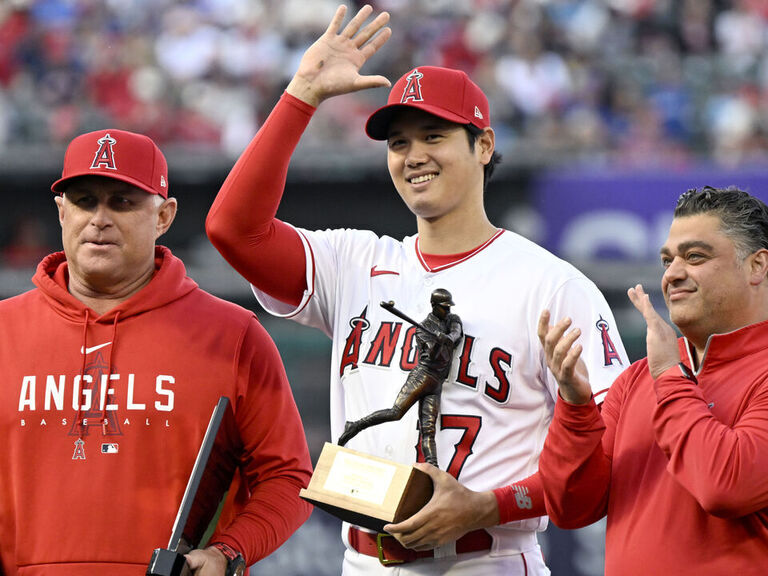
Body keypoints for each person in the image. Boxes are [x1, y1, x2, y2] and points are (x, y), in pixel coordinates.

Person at [206, 5, 627, 574]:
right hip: (362, 559)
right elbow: (234, 230)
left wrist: (488, 506)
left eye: (434, 135)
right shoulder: (355, 261)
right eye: (398, 143)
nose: (413, 156)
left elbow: (606, 463)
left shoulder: (551, 285)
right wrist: (301, 93)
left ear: (483, 145)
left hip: (488, 559)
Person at [0, 128, 313, 576]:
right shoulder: (4, 329)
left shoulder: (232, 333)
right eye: (85, 200)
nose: (99, 219)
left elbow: (287, 476)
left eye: (122, 202)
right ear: (61, 211)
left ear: (164, 215)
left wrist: (228, 550)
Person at [537, 186, 768, 575]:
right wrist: (575, 408)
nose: (673, 274)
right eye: (666, 261)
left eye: (695, 256)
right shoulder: (634, 380)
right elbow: (570, 506)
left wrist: (668, 376)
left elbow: (725, 485)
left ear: (757, 266)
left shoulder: (660, 373)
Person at [338, 288, 464, 467]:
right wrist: (438, 343)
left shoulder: (451, 318)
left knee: (428, 430)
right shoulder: (422, 329)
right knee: (396, 412)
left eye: (449, 307)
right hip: (422, 377)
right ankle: (356, 425)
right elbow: (437, 357)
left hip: (437, 382)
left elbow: (456, 332)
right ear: (434, 306)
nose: (448, 310)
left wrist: (448, 338)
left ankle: (432, 469)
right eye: (444, 307)